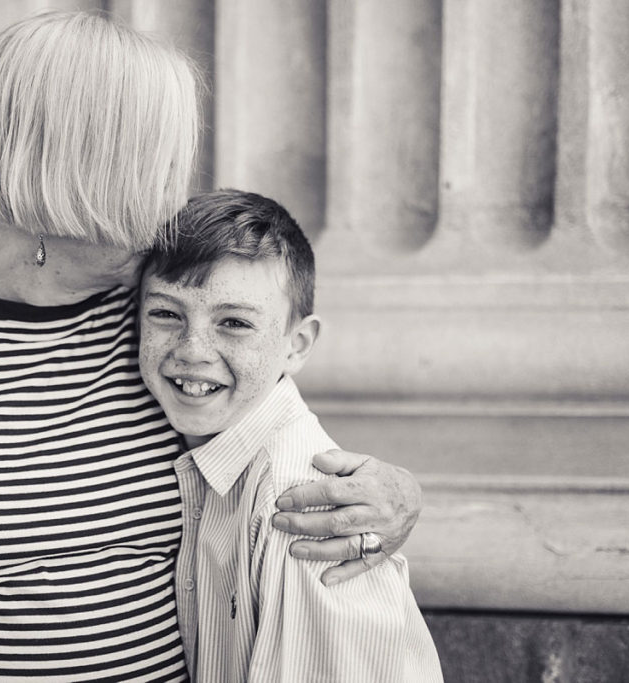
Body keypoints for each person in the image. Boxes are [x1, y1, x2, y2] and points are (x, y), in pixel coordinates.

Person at [0, 11, 422, 682]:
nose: (169, 196)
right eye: (157, 164)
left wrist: (398, 495)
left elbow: (277, 424)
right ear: (76, 169)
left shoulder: (159, 307)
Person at [138, 189, 442, 682]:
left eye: (234, 323)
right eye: (166, 314)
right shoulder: (209, 450)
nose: (192, 350)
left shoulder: (300, 507)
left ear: (296, 346)